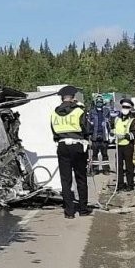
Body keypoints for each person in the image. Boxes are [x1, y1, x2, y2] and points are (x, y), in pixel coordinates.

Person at [51, 85, 92, 219]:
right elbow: (86, 128)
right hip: (77, 146)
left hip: (62, 146)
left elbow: (54, 132)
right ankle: (83, 209)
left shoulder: (54, 113)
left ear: (62, 99)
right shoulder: (79, 111)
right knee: (80, 177)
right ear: (73, 98)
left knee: (65, 180)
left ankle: (69, 212)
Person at [114, 98, 135, 191]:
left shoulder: (133, 120)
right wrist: (112, 133)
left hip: (128, 146)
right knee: (119, 166)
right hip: (118, 145)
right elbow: (113, 128)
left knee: (129, 166)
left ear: (130, 108)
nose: (125, 108)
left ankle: (130, 185)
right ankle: (120, 185)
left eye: (127, 107)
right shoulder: (117, 119)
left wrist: (125, 136)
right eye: (123, 107)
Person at [88, 96, 111, 175]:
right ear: (95, 102)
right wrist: (89, 135)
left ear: (103, 102)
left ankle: (106, 169)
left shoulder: (106, 111)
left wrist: (108, 125)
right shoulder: (92, 112)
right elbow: (89, 124)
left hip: (104, 136)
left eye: (100, 101)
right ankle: (95, 169)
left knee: (105, 154)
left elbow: (110, 123)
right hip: (95, 136)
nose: (99, 103)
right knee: (94, 154)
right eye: (97, 101)